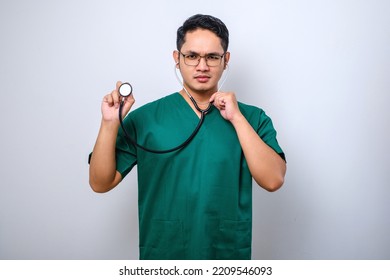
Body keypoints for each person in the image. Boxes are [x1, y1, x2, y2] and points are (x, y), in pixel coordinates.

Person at [89, 14, 286, 260]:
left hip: (226, 256)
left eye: (212, 57)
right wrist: (109, 123)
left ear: (226, 60)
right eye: (192, 56)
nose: (202, 66)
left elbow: (273, 180)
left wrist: (237, 119)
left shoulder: (252, 118)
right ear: (177, 58)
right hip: (165, 254)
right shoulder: (146, 119)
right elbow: (100, 182)